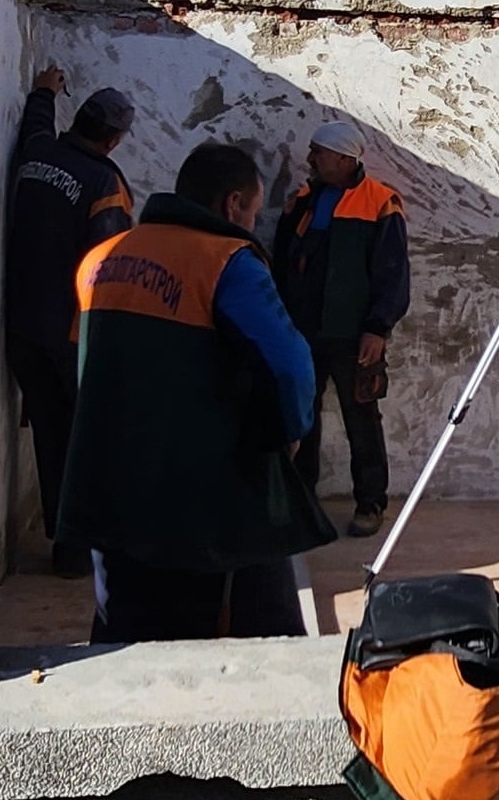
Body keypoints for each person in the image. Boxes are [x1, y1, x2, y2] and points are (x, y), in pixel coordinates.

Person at [57, 142, 335, 641]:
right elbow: (291, 368)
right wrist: (288, 435)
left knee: (124, 634)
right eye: (251, 210)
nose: (250, 222)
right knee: (249, 643)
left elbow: (85, 368)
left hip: (111, 488)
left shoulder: (98, 261)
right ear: (232, 205)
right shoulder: (227, 260)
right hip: (202, 501)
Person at [3, 68, 135, 578]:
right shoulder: (105, 183)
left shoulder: (38, 155)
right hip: (72, 337)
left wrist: (43, 92)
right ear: (113, 139)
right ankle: (79, 551)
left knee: (51, 438)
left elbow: (36, 127)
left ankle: (66, 542)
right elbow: (111, 264)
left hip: (22, 328)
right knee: (88, 441)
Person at [273, 119, 410, 538]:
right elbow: (282, 261)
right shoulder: (302, 200)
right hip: (303, 332)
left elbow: (392, 273)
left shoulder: (382, 203)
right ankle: (301, 503)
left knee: (362, 419)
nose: (310, 159)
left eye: (318, 152)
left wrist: (377, 328)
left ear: (343, 158)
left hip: (354, 336)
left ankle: (370, 503)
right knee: (301, 418)